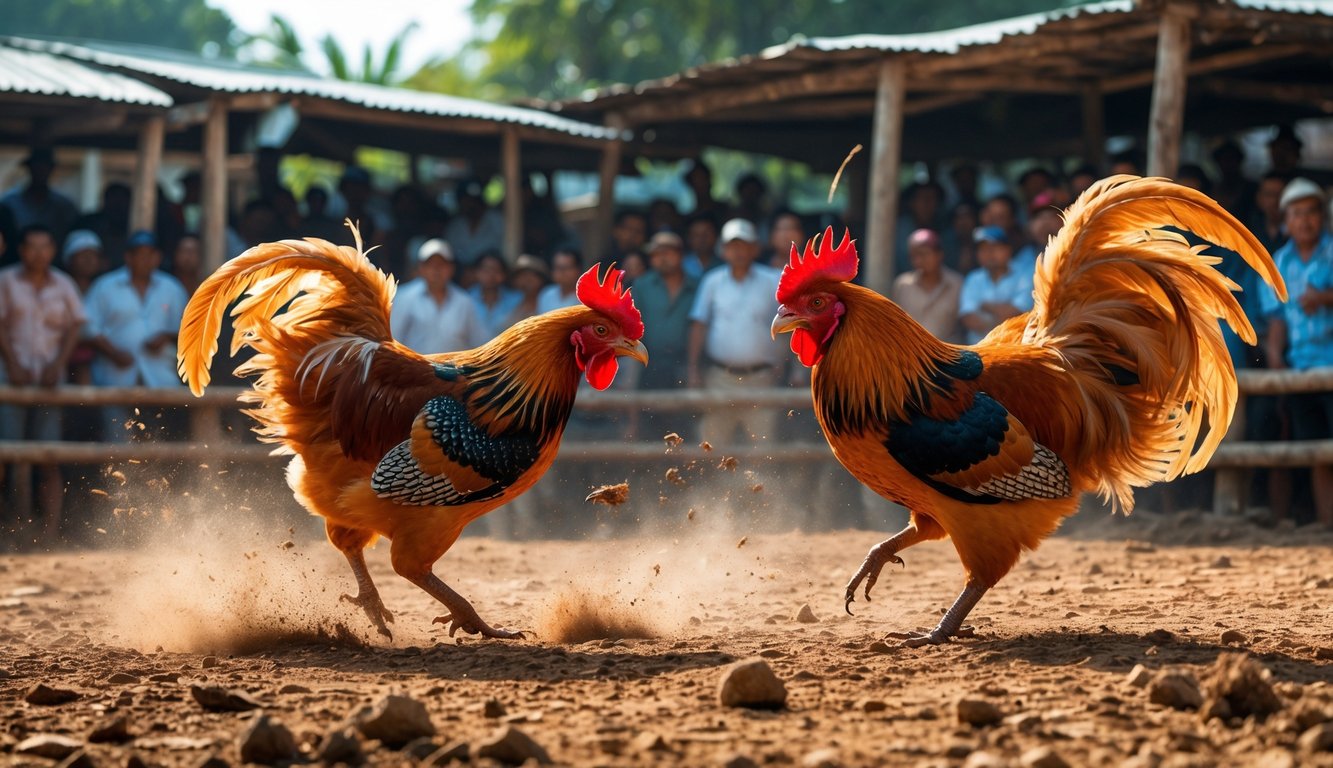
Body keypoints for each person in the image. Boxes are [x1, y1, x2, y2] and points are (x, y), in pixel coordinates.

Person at [0, 225, 86, 542]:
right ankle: (9, 528)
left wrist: (58, 364)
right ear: (22, 251)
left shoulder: (63, 284)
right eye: (32, 247)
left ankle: (48, 533)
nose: (38, 253)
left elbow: (74, 327)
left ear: (52, 250)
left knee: (48, 457)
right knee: (6, 457)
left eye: (44, 246)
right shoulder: (6, 281)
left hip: (51, 381)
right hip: (11, 379)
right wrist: (11, 363)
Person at [1260, 178, 1333, 528]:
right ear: (1286, 220)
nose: (1305, 221)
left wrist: (1325, 298)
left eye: (1311, 212)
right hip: (1301, 368)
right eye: (1297, 214)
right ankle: (1325, 519)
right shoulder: (1278, 263)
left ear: (1322, 216)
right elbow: (1277, 321)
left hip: (1331, 365)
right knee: (1315, 448)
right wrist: (1275, 358)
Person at [84, 230, 190, 442]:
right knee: (117, 442)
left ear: (158, 258)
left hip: (160, 377)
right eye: (139, 254)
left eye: (150, 254)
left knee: (159, 440)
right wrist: (113, 353)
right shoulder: (105, 286)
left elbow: (189, 327)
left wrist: (166, 336)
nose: (145, 259)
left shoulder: (172, 288)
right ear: (128, 257)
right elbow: (88, 328)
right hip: (115, 377)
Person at [687, 218, 782, 444]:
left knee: (764, 445)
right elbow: (699, 326)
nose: (738, 251)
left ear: (755, 249)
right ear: (723, 250)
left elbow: (790, 325)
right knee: (712, 443)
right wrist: (692, 367)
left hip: (761, 378)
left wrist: (784, 364)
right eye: (733, 246)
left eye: (744, 245)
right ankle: (712, 481)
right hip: (720, 377)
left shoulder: (774, 280)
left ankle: (765, 481)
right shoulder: (712, 281)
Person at [390, 239, 486, 355]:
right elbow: (393, 341)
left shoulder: (465, 302)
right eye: (430, 265)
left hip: (454, 371)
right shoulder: (403, 297)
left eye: (441, 265)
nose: (436, 270)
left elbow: (480, 343)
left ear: (451, 269)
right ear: (421, 268)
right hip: (414, 371)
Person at [636, 231, 700, 391]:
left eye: (667, 252)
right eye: (656, 254)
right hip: (648, 365)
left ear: (681, 254)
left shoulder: (697, 286)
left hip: (686, 365)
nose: (661, 258)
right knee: (648, 411)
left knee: (685, 414)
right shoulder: (642, 286)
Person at [959, 225, 1034, 345]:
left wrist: (986, 306)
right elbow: (968, 318)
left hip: (1016, 348)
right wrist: (1001, 316)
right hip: (980, 350)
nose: (989, 253)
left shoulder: (1025, 274)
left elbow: (1018, 313)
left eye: (994, 247)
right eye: (983, 249)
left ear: (1008, 250)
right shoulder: (973, 278)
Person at [892, 229, 962, 343]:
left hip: (949, 355)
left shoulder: (956, 284)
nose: (918, 260)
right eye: (914, 256)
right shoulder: (903, 284)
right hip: (912, 353)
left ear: (939, 254)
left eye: (924, 254)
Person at [0, 148, 79, 243]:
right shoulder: (10, 202)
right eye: (36, 168)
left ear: (51, 170)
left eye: (44, 168)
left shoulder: (65, 205)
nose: (40, 173)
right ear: (29, 169)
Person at [444, 178, 505, 268]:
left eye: (475, 200)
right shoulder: (455, 226)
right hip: (462, 274)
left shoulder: (497, 220)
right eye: (467, 201)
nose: (471, 205)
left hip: (491, 272)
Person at [468, 250, 523, 341]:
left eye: (496, 270)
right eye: (486, 270)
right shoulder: (466, 299)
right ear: (476, 273)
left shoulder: (517, 300)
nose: (491, 275)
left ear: (504, 274)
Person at [1011, 190, 1063, 278]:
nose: (1046, 222)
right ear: (1029, 226)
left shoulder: (1079, 250)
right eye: (1039, 217)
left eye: (1051, 216)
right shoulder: (1022, 260)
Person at [1248, 172, 1293, 255]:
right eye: (1269, 195)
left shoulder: (1297, 230)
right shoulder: (1250, 228)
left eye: (1279, 195)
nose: (1274, 201)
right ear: (1259, 198)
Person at [507, 254, 550, 326]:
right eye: (523, 275)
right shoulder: (510, 301)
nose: (528, 280)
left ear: (542, 279)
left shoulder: (549, 299)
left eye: (533, 275)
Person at [537, 248, 583, 314]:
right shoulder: (546, 294)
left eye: (567, 267)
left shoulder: (585, 298)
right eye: (558, 268)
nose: (562, 272)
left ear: (578, 269)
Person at [683, 212, 720, 277]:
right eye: (696, 235)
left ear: (716, 236)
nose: (702, 239)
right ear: (688, 238)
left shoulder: (725, 265)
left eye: (706, 234)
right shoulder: (680, 266)